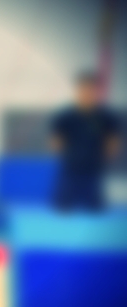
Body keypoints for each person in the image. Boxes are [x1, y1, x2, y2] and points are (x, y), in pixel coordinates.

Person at [50, 71, 121, 211]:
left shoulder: (106, 116)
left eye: (90, 89)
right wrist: (66, 156)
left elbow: (113, 141)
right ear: (77, 90)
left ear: (96, 92)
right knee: (63, 209)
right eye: (83, 89)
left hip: (94, 170)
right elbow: (56, 142)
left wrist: (105, 157)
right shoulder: (65, 116)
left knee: (94, 209)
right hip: (70, 169)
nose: (87, 93)